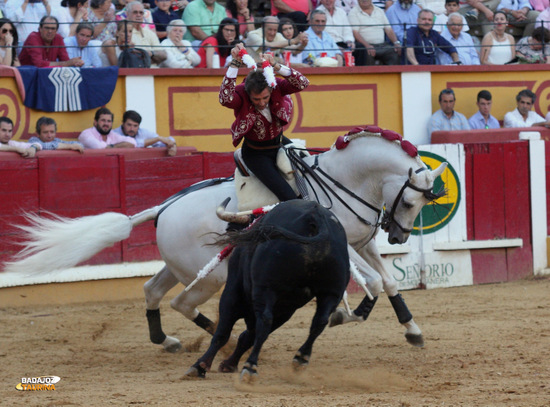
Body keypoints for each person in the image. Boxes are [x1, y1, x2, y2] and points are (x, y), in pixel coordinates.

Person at [219, 43, 309, 201]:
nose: (261, 103)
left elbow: (302, 82)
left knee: (310, 177)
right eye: (256, 99)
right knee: (289, 197)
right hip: (256, 154)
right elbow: (225, 98)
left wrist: (276, 65)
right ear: (248, 94)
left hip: (280, 143)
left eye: (265, 98)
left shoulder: (276, 86)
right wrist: (235, 63)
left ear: (270, 90)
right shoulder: (241, 93)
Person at [348, 0, 401, 66]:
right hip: (365, 46)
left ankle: (392, 76)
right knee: (366, 54)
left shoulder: (379, 11)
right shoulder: (353, 12)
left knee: (394, 53)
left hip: (382, 46)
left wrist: (396, 42)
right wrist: (367, 45)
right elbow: (355, 32)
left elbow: (388, 29)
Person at [19, 16, 85, 67]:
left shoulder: (58, 38)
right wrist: (67, 63)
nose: (50, 31)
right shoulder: (33, 37)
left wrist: (74, 63)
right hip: (27, 76)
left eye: (53, 28)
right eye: (47, 28)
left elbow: (65, 60)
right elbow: (39, 64)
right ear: (40, 29)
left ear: (56, 30)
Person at [113, 110, 177, 156]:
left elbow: (166, 141)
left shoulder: (142, 132)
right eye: (129, 125)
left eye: (135, 126)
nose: (132, 129)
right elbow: (133, 144)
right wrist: (157, 139)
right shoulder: (114, 134)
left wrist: (172, 146)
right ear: (123, 123)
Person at [128, 1, 167, 65]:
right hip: (136, 72)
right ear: (127, 14)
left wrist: (150, 54)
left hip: (155, 72)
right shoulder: (125, 33)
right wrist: (153, 57)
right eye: (135, 12)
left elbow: (163, 55)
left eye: (141, 13)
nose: (138, 15)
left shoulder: (150, 33)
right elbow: (133, 59)